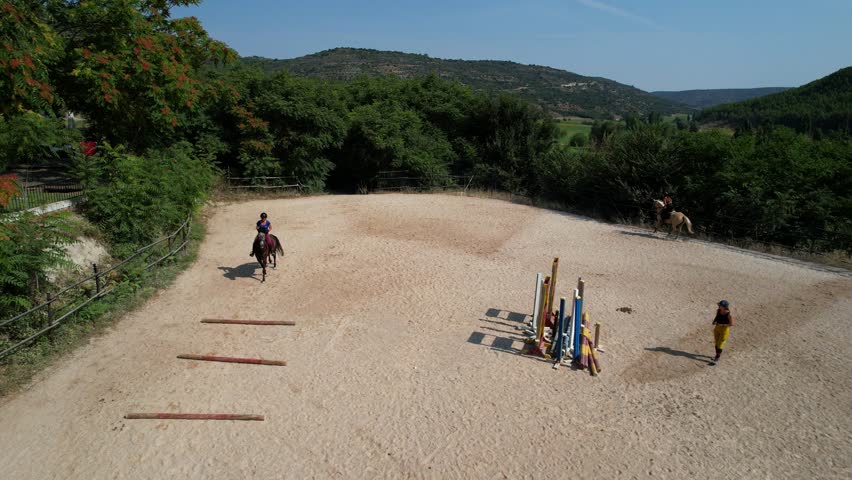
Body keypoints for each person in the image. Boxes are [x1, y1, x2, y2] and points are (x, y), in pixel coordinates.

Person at [710, 300, 734, 365]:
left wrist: (723, 325)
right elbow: (717, 317)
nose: (719, 306)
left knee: (720, 343)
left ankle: (717, 358)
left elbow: (731, 324)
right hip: (717, 328)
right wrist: (714, 321)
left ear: (724, 307)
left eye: (720, 305)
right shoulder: (718, 311)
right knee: (716, 342)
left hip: (725, 330)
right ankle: (716, 355)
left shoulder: (729, 314)